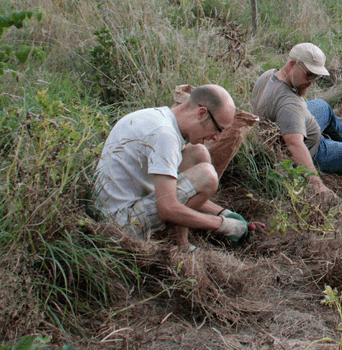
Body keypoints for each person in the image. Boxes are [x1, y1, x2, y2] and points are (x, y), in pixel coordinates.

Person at [94, 84, 260, 248]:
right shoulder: (165, 136)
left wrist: (224, 214)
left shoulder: (160, 118)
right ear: (202, 114)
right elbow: (167, 208)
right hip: (118, 227)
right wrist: (222, 225)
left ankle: (180, 242)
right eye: (218, 129)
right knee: (207, 177)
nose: (217, 138)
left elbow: (178, 192)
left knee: (198, 152)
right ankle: (179, 246)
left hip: (113, 210)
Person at [250, 43, 342, 198]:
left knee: (322, 106)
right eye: (309, 75)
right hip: (314, 148)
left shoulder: (270, 74)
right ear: (292, 64)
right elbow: (295, 144)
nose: (312, 81)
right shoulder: (289, 104)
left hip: (296, 120)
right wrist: (317, 185)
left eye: (317, 77)